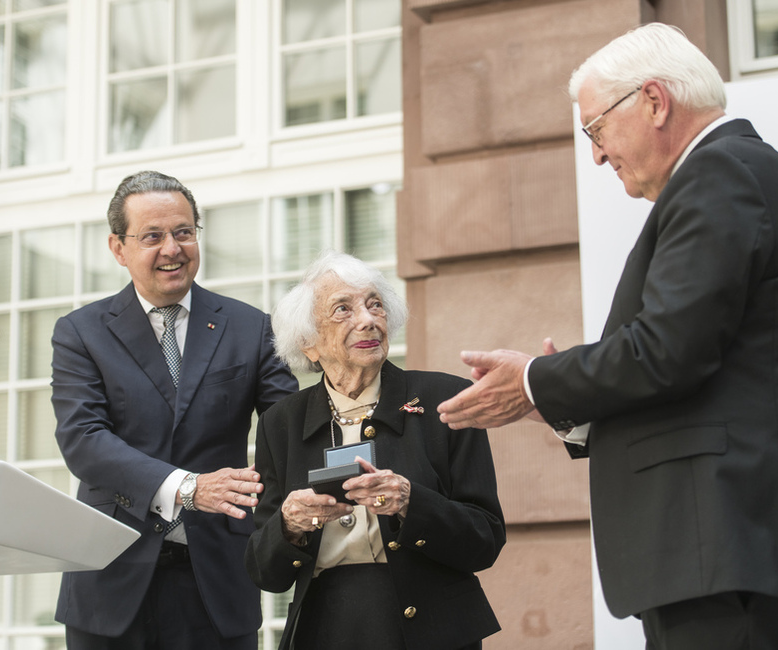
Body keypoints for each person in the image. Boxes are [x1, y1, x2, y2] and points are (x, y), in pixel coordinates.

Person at [437, 23, 778, 650]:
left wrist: (534, 381)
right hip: (728, 542)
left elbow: (667, 350)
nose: (599, 155)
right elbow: (697, 365)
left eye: (596, 129)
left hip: (724, 541)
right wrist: (557, 402)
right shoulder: (738, 175)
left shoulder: (720, 176)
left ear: (655, 101)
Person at [51, 170, 298, 649]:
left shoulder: (251, 327)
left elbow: (288, 427)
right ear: (118, 248)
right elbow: (83, 440)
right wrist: (187, 488)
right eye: (152, 236)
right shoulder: (81, 333)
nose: (172, 248)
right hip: (108, 580)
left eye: (184, 232)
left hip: (218, 581)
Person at [245, 250, 505, 650]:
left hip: (430, 629)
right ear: (308, 344)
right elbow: (265, 571)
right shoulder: (282, 422)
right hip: (326, 628)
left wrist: (409, 502)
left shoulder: (443, 399)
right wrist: (289, 524)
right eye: (342, 310)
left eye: (375, 305)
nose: (367, 320)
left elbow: (485, 539)